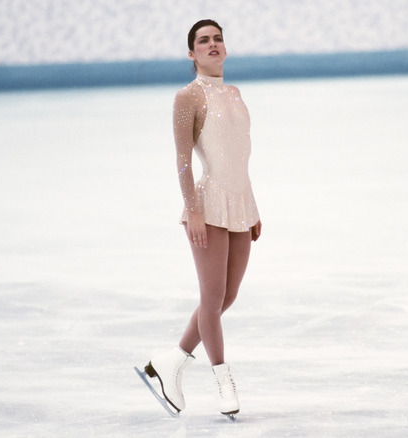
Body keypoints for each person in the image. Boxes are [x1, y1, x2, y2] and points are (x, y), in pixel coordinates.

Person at [144, 19, 262, 418]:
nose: (212, 45)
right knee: (212, 300)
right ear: (191, 54)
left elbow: (239, 157)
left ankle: (171, 363)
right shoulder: (188, 97)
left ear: (225, 49)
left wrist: (253, 204)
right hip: (209, 206)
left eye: (217, 39)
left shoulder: (234, 93)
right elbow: (181, 160)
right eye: (202, 41)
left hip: (241, 205)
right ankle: (222, 379)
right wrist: (192, 210)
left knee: (227, 297)